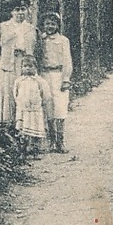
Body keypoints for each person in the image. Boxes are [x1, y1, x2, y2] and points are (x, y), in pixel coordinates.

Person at [0, 0, 36, 126]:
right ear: (11, 12)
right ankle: (5, 127)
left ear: (27, 11)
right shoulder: (2, 27)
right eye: (17, 10)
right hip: (6, 66)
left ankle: (24, 128)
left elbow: (38, 49)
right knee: (7, 95)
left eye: (23, 9)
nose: (20, 13)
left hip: (25, 66)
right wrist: (0, 60)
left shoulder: (31, 29)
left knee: (24, 94)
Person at [35, 12, 73, 152]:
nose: (50, 26)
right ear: (43, 25)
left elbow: (67, 60)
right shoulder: (41, 40)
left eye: (53, 24)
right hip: (44, 75)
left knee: (60, 108)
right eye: (47, 24)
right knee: (48, 108)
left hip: (58, 75)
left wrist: (66, 79)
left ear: (57, 25)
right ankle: (51, 141)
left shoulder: (63, 40)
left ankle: (60, 141)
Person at [13, 56, 50, 155]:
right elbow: (15, 94)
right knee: (22, 130)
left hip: (35, 110)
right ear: (21, 68)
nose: (27, 68)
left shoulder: (39, 81)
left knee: (35, 128)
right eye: (25, 66)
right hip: (23, 110)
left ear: (35, 67)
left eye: (30, 66)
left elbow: (45, 95)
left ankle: (35, 148)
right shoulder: (19, 81)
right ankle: (22, 149)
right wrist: (20, 103)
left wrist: (40, 104)